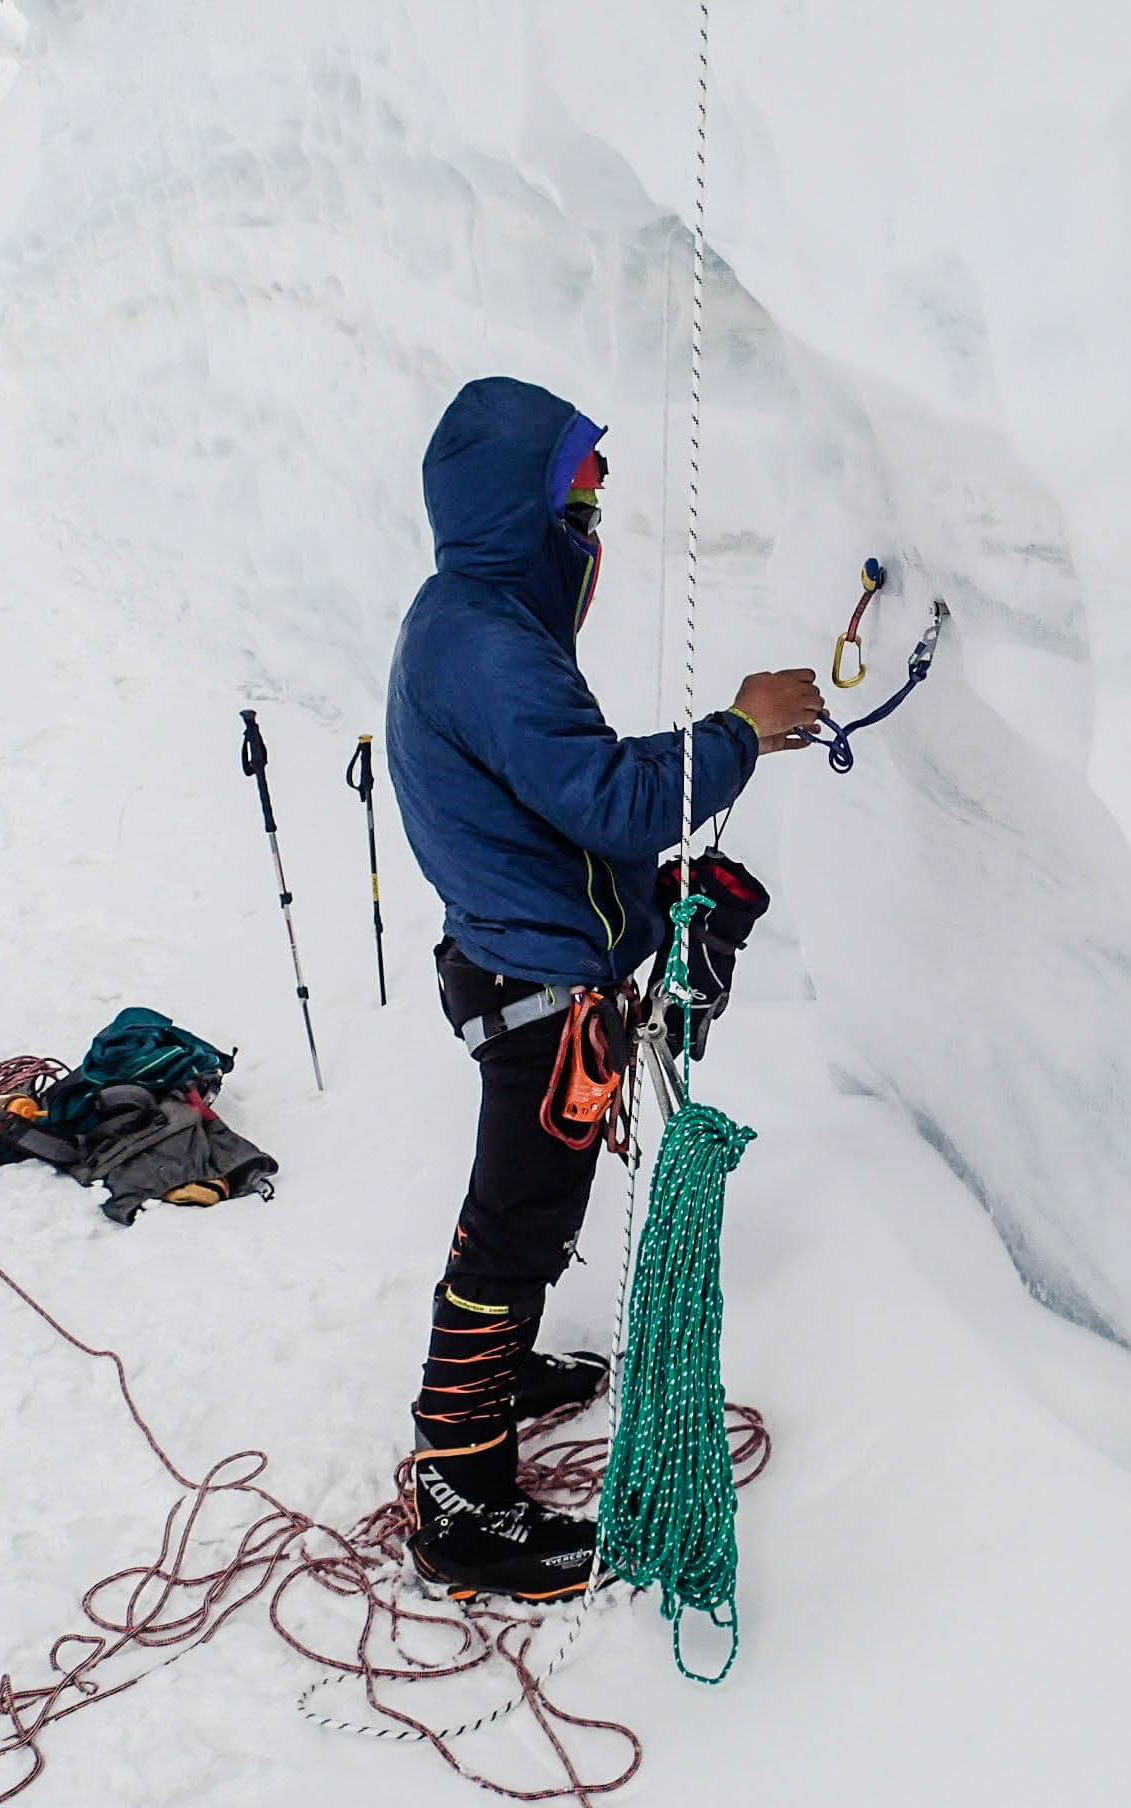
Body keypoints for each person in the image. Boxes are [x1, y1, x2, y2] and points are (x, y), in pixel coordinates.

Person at [383, 376, 824, 1600]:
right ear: (514, 505)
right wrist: (741, 727)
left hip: (524, 956)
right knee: (514, 1228)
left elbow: (574, 804)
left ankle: (498, 1378)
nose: (593, 516)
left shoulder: (469, 620)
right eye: (576, 491)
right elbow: (612, 800)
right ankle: (461, 1494)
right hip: (538, 987)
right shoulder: (485, 647)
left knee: (528, 1216)